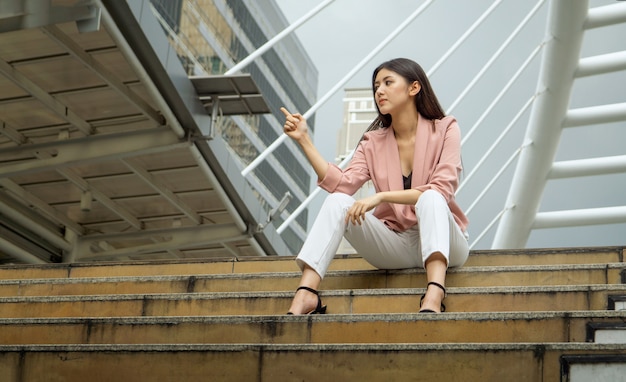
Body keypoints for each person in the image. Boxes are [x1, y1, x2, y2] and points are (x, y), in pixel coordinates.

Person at [281, 57, 469, 315]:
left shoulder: (446, 129)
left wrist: (379, 197)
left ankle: (435, 292)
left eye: (388, 82)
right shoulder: (372, 142)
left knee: (432, 198)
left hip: (445, 241)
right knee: (338, 201)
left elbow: (442, 188)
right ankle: (306, 293)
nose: (379, 90)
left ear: (414, 88)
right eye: (376, 85)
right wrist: (304, 140)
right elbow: (343, 184)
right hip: (395, 245)